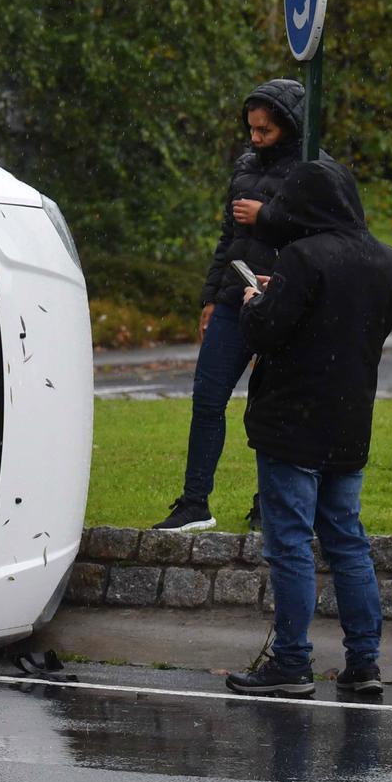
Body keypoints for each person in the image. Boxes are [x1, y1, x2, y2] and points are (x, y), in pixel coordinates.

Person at [225, 159, 392, 698]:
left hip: (292, 419)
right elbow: (347, 321)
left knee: (291, 544)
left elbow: (267, 332)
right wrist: (282, 292)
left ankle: (291, 662)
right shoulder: (388, 260)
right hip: (350, 419)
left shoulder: (303, 257)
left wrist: (258, 300)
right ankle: (364, 662)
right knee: (348, 542)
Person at [154, 79, 305, 533]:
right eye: (252, 129)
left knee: (273, 406)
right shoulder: (244, 165)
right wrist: (210, 297)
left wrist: (267, 216)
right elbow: (229, 239)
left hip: (283, 299)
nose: (256, 139)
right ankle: (195, 503)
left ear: (291, 127)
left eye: (266, 131)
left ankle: (268, 505)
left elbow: (321, 233)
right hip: (233, 298)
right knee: (207, 397)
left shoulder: (314, 169)